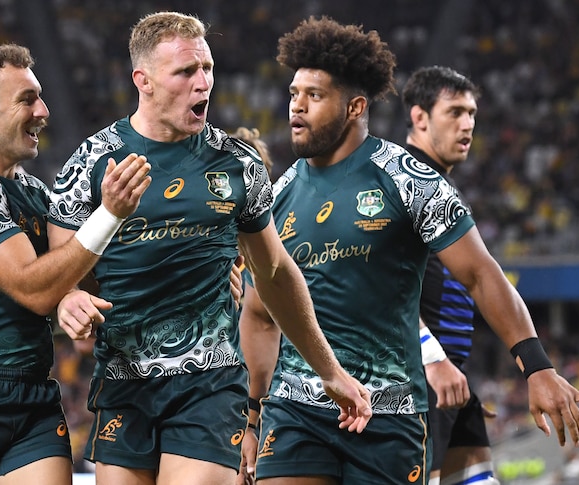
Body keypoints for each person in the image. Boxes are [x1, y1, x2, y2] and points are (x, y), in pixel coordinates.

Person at [238, 16, 579, 485]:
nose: (297, 107)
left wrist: (536, 366)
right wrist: (250, 417)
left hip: (388, 414)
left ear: (355, 107)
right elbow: (260, 312)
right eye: (293, 94)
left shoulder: (408, 179)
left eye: (315, 95)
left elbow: (480, 275)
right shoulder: (279, 195)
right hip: (295, 413)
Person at [46, 12, 372, 485]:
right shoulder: (93, 161)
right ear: (145, 81)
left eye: (208, 68)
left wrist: (330, 371)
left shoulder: (237, 165)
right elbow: (60, 262)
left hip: (210, 384)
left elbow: (276, 273)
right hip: (123, 384)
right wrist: (69, 297)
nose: (204, 84)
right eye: (185, 72)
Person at [0, 43, 152, 485]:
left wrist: (74, 300)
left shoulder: (37, 193)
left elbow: (68, 279)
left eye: (40, 96)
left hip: (33, 395)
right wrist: (108, 215)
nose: (43, 110)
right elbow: (33, 289)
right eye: (27, 99)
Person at [402, 65, 495, 485]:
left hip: (448, 379)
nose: (468, 124)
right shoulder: (404, 182)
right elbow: (385, 286)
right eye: (454, 112)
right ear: (420, 117)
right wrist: (432, 358)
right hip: (415, 378)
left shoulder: (442, 186)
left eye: (472, 113)